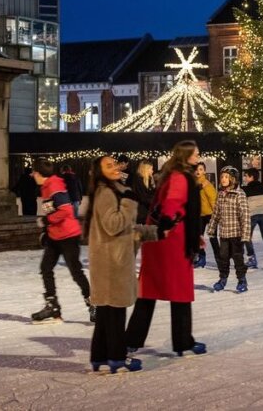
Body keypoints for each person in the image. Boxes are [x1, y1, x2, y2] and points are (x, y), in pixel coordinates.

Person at [124, 141, 207, 360]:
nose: (198, 155)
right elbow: (173, 203)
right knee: (180, 291)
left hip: (161, 242)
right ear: (186, 156)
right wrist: (170, 224)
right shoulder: (180, 176)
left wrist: (192, 234)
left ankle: (131, 340)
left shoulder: (172, 174)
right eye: (196, 152)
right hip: (172, 241)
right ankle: (183, 341)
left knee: (149, 292)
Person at [86, 155, 163, 374]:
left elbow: (125, 230)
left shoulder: (109, 191)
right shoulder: (107, 193)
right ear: (101, 172)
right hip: (113, 262)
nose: (115, 167)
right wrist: (130, 201)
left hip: (108, 259)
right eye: (109, 166)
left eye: (115, 164)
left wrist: (154, 233)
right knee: (116, 312)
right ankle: (117, 358)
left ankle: (99, 356)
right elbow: (114, 225)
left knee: (105, 313)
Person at [29, 159, 94, 324]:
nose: (32, 175)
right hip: (55, 235)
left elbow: (65, 211)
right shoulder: (46, 187)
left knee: (76, 272)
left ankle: (94, 305)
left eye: (33, 172)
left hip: (68, 236)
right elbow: (52, 210)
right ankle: (52, 306)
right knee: (45, 268)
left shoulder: (54, 186)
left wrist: (46, 221)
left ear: (38, 173)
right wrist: (46, 229)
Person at [207, 166, 250, 293]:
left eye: (226, 177)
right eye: (222, 177)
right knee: (223, 258)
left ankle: (242, 280)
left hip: (236, 234)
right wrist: (211, 228)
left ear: (233, 179)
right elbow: (216, 214)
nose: (223, 179)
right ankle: (223, 279)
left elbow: (245, 215)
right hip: (224, 234)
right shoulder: (220, 194)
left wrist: (245, 234)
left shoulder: (239, 194)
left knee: (238, 258)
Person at [242, 168, 263, 269]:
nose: (245, 178)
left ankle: (252, 258)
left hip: (251, 215)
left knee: (247, 237)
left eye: (246, 176)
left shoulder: (246, 189)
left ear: (251, 177)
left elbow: (243, 205)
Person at [194, 162, 217, 269]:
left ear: (204, 171)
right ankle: (201, 258)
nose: (198, 171)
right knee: (199, 238)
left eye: (201, 169)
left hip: (210, 214)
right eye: (197, 169)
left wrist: (216, 214)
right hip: (199, 215)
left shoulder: (206, 184)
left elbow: (213, 199)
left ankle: (219, 259)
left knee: (213, 237)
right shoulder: (194, 184)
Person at [131, 160, 157, 228]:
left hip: (146, 212)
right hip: (141, 213)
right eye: (151, 169)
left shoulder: (148, 180)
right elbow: (143, 197)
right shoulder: (138, 180)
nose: (152, 171)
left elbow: (152, 194)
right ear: (146, 169)